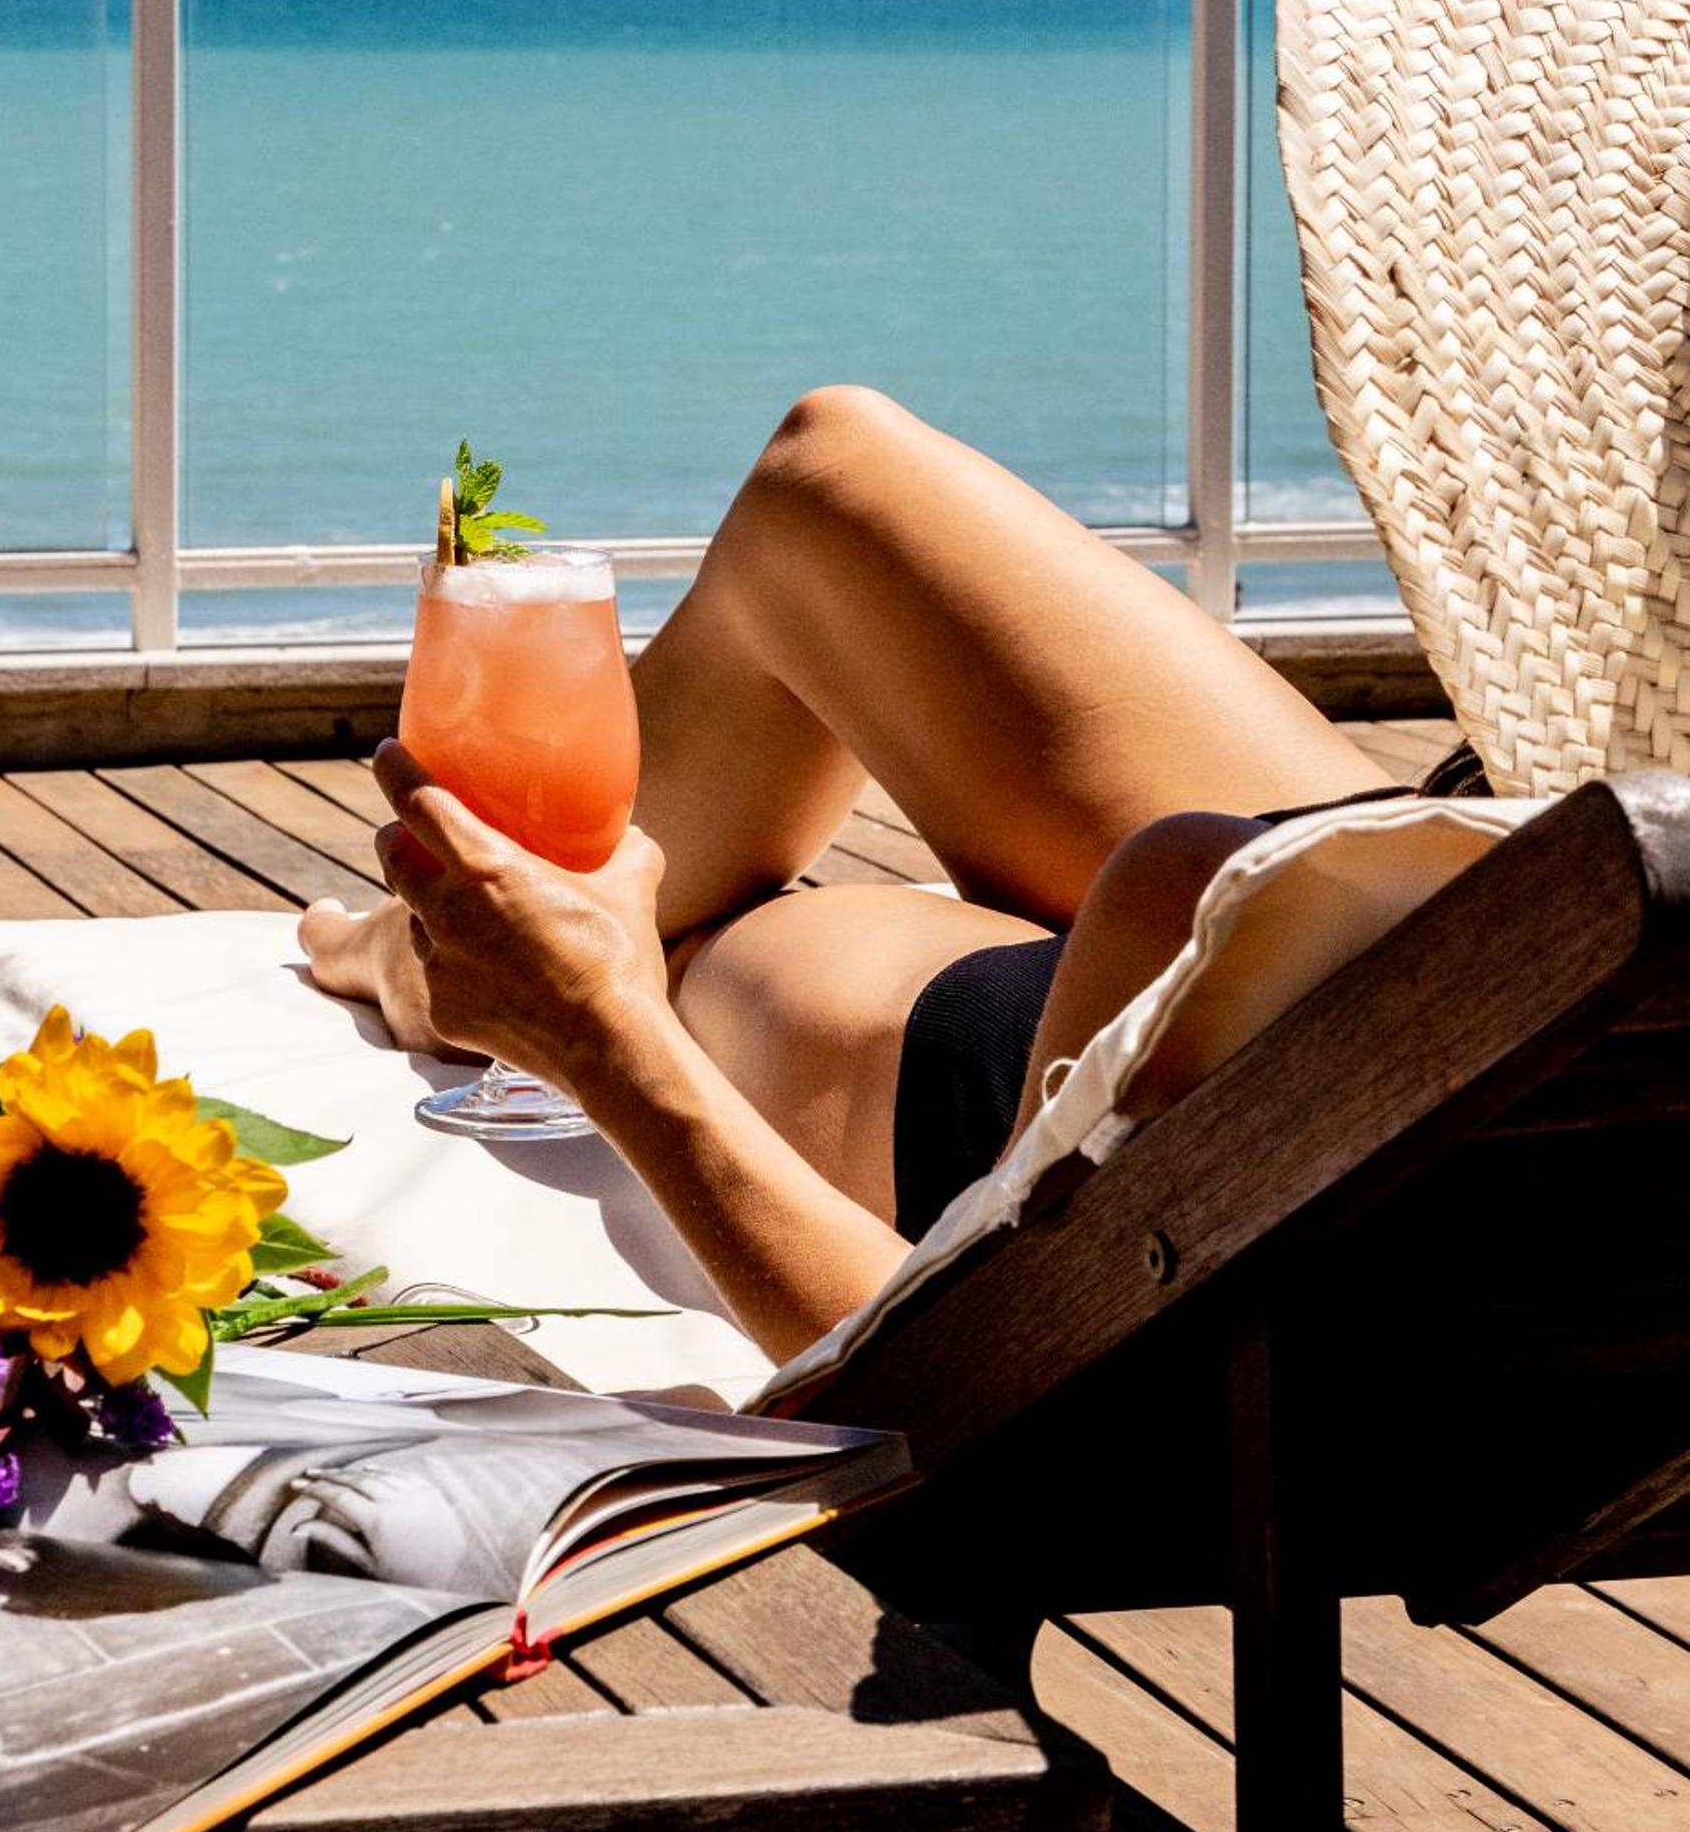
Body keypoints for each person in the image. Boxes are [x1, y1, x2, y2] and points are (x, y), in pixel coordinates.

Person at [299, 387, 1410, 1363]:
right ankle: (452, 936)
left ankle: (441, 954)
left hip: (1142, 1111)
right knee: (828, 469)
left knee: (688, 954)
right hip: (1446, 902)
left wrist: (601, 1032)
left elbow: (965, 1371)